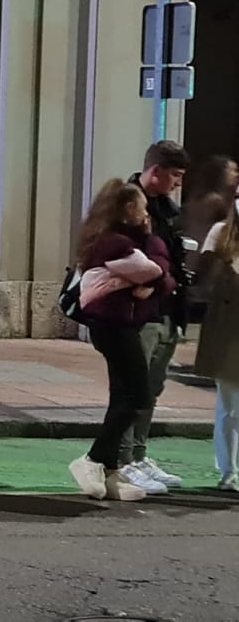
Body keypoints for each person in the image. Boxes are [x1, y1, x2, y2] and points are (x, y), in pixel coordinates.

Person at [65, 180, 175, 501]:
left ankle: (110, 472)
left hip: (115, 324)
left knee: (123, 394)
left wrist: (152, 283)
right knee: (139, 395)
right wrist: (155, 259)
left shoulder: (114, 240)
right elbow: (155, 271)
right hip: (114, 326)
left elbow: (151, 279)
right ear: (129, 209)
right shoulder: (114, 244)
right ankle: (93, 459)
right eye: (142, 207)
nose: (146, 214)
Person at [121, 140, 193, 495]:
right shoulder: (127, 204)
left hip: (166, 309)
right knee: (131, 390)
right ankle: (124, 462)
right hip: (138, 313)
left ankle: (138, 454)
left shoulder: (168, 210)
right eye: (175, 175)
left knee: (150, 390)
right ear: (156, 171)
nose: (178, 183)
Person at [195, 200, 239, 492]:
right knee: (230, 405)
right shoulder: (220, 234)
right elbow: (205, 278)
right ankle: (229, 471)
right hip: (228, 327)